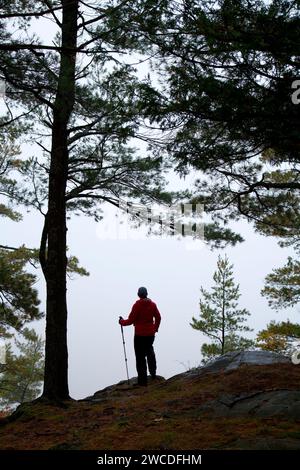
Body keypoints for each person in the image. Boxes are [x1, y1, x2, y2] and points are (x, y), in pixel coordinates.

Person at [119, 287, 161, 386]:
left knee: (140, 357)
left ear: (138, 294)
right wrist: (155, 328)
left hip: (139, 335)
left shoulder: (137, 305)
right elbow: (158, 317)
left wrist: (121, 322)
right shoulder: (153, 305)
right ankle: (153, 373)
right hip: (150, 334)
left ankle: (142, 382)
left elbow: (130, 320)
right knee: (150, 351)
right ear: (147, 294)